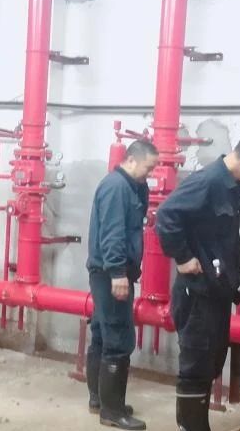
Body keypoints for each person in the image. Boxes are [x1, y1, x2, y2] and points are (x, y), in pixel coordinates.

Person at [156, 132, 240, 431]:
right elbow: (166, 215)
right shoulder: (207, 182)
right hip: (197, 292)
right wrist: (183, 257)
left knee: (212, 360)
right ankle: (192, 426)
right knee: (196, 362)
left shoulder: (232, 184)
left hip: (216, 291)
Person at [85, 140, 160, 429]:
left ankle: (100, 399)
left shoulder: (131, 186)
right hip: (111, 273)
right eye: (148, 167)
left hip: (107, 271)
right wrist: (118, 273)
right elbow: (113, 233)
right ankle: (113, 412)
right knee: (118, 339)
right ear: (131, 160)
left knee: (102, 333)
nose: (150, 173)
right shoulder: (117, 187)